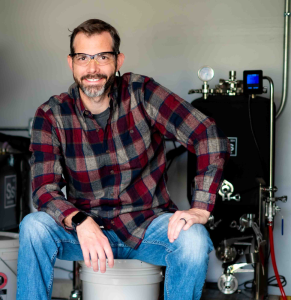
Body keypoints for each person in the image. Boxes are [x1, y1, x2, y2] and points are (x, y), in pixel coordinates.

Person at [18, 19, 230, 300]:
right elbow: (44, 188)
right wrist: (80, 221)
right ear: (71, 63)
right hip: (84, 230)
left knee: (194, 241)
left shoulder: (142, 93)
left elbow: (207, 134)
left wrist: (201, 208)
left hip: (147, 226)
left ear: (118, 60)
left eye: (102, 57)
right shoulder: (51, 114)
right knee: (33, 228)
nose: (92, 69)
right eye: (83, 58)